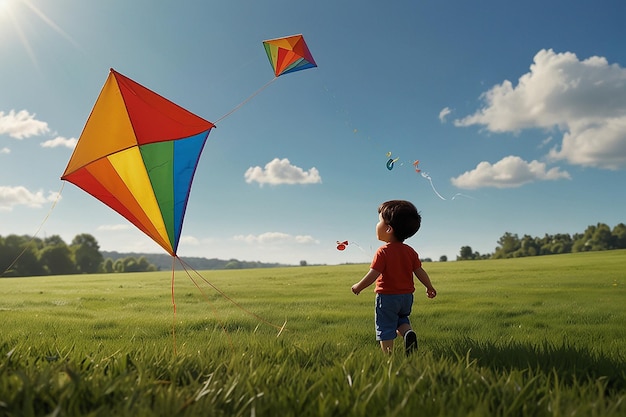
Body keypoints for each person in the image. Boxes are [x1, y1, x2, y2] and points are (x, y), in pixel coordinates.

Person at [351, 200, 437, 355]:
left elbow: (373, 275)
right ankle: (408, 333)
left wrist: (358, 286)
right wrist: (429, 287)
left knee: (385, 326)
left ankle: (388, 358)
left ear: (389, 228)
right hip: (406, 297)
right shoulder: (410, 251)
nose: (377, 225)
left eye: (379, 221)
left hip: (387, 298)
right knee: (402, 320)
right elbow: (420, 271)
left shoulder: (383, 251)